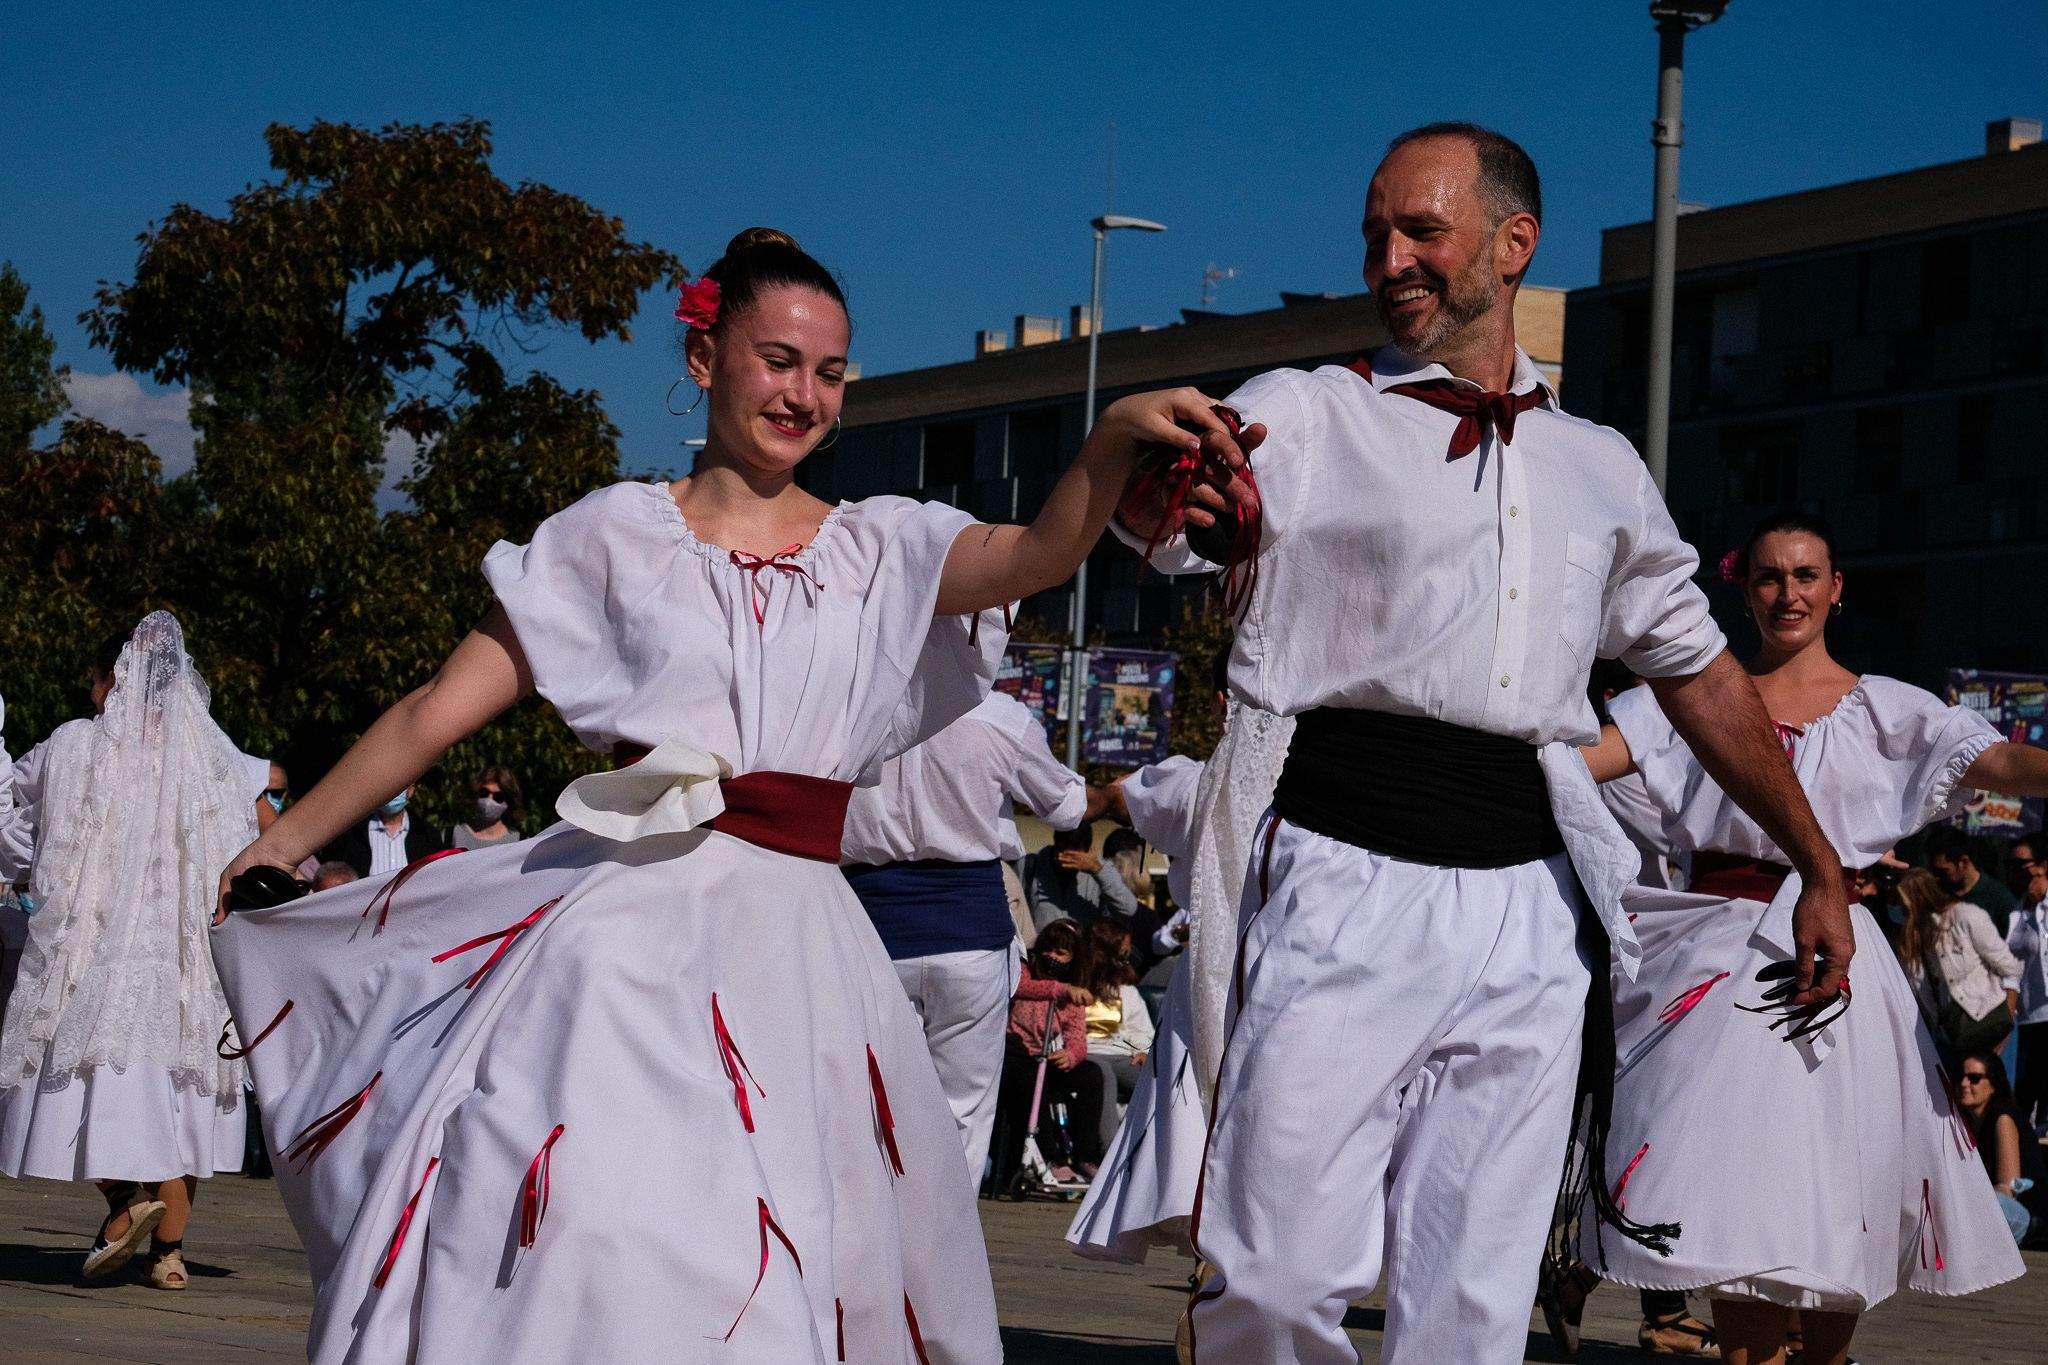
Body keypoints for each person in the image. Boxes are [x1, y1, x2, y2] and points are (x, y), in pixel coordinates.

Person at [210, 226, 1244, 1362]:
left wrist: (1105, 443)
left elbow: (1038, 553)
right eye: (778, 360)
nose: (804, 394)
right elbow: (435, 709)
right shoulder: (609, 538)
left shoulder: (882, 550)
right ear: (705, 360)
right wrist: (283, 844)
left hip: (797, 953)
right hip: (617, 941)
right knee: (596, 1221)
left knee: (785, 1247)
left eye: (831, 372)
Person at [1112, 122, 1850, 1364]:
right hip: (1341, 871)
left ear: (1514, 246)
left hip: (1527, 904)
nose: (1387, 259)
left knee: (1473, 1300)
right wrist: (1180, 495)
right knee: (1272, 1271)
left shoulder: (1599, 466)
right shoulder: (1302, 411)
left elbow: (1701, 676)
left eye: (1420, 231)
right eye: (1372, 235)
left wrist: (1816, 865)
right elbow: (1169, 519)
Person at [1575, 510, 2029, 1365]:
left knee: (1836, 1178)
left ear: (1837, 588)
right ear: (1744, 590)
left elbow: (2000, 763)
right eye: (1772, 576)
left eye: (1807, 574)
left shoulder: (1890, 709)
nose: (1790, 592)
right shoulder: (1687, 698)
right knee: (1732, 1186)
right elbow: (1574, 758)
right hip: (1715, 959)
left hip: (1840, 966)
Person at [0, 615, 265, 1289]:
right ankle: (168, 1253)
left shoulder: (75, 745)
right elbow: (257, 817)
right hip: (184, 960)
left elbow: (13, 814)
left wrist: (33, 863)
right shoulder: (213, 756)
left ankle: (123, 1199)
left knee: (76, 1077)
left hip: (98, 952)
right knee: (179, 1102)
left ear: (113, 675)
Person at [840, 689, 1094, 1180]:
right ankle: (944, 1248)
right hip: (967, 934)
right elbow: (1065, 807)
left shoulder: (852, 703)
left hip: (873, 931)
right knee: (962, 1115)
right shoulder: (997, 716)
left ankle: (873, 1244)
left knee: (870, 1108)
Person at [990, 919, 1101, 1192]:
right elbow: (1023, 988)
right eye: (1049, 950)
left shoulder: (1071, 995)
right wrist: (1060, 990)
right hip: (1015, 1056)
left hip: (1044, 1061)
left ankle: (1086, 1155)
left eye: (1061, 953)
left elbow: (1077, 1037)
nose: (1052, 957)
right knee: (1027, 1074)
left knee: (1092, 1074)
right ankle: (1051, 1157)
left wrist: (1071, 1055)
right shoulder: (1026, 971)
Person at [1897, 866, 2023, 1056]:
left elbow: (2010, 969)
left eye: (1902, 903)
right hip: (1956, 1037)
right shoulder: (1912, 943)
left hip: (1994, 1025)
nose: (1898, 909)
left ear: (1917, 900)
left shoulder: (1965, 916)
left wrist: (2007, 1022)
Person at [1953, 1046, 2048, 1246]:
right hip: (1996, 1211)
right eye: (1960, 1076)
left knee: (1970, 1202)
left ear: (1993, 1084)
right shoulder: (1964, 1125)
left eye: (1974, 1078)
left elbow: (2009, 1189)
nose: (1963, 1083)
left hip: (2026, 1215)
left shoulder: (2002, 1118)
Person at [1075, 918, 1154, 1154]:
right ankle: (1108, 1153)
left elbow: (1141, 1029)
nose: (1126, 956)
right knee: (1103, 1075)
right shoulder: (1075, 985)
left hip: (1120, 1053)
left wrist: (1144, 1052)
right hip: (1086, 1053)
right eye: (1122, 950)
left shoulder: (1125, 990)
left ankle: (1148, 1152)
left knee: (1153, 1081)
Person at [1025, 824, 1138, 931]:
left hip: (1082, 948)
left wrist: (1097, 870)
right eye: (1062, 851)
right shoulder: (1031, 865)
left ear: (1087, 850)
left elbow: (1128, 908)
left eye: (1074, 855)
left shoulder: (1103, 869)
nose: (1066, 861)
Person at [319, 781, 444, 876]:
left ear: (411, 790)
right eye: (387, 786)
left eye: (399, 786)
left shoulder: (427, 835)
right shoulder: (352, 834)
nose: (393, 792)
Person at [2008, 850, 2048, 1136]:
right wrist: (2031, 908)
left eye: (2032, 873)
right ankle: (2028, 1136)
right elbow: (2012, 949)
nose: (2029, 881)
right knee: (2030, 1080)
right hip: (2034, 1011)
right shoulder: (2020, 909)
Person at [1925, 826, 2019, 936]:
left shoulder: (1999, 898)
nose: (1937, 877)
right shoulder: (1937, 894)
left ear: (1964, 862)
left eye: (1944, 871)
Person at [446, 765, 523, 850]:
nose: (489, 799)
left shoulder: (520, 841)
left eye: (498, 797)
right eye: (484, 793)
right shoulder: (451, 836)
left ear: (509, 802)